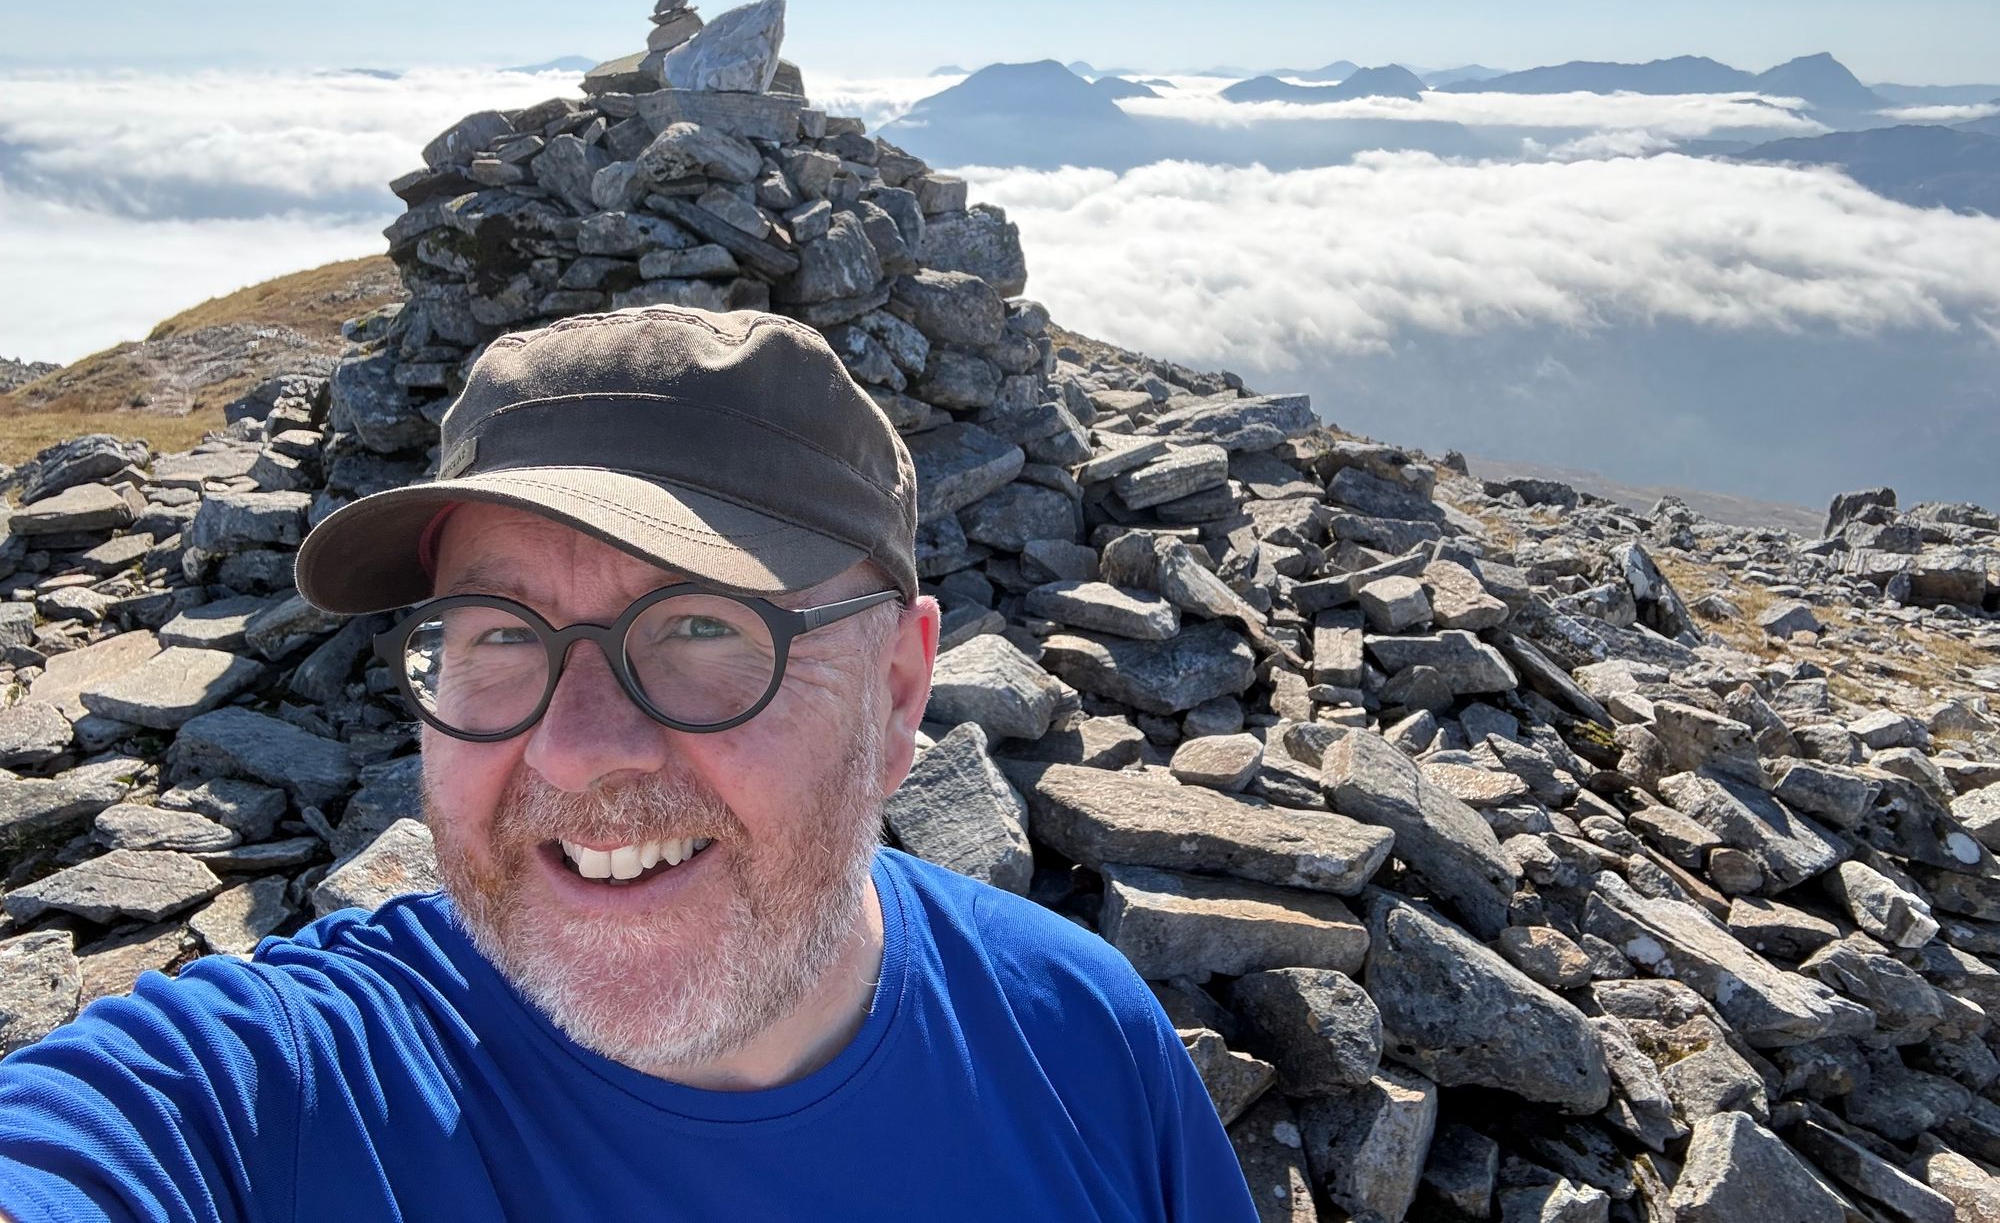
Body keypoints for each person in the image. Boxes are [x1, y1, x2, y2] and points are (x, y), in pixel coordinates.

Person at [0, 305, 1260, 1222]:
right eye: (495, 633)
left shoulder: (1079, 1036)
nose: (575, 742)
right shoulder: (271, 1092)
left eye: (704, 626)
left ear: (895, 693)